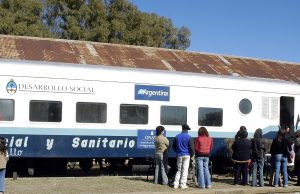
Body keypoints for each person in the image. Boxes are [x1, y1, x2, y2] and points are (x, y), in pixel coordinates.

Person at [172, 124, 195, 189]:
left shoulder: (177, 136)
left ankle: (175, 184)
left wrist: (177, 151)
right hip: (187, 155)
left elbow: (173, 146)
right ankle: (183, 184)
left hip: (179, 155)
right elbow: (191, 147)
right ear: (187, 130)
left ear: (182, 129)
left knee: (179, 170)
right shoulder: (189, 137)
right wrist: (192, 154)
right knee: (185, 170)